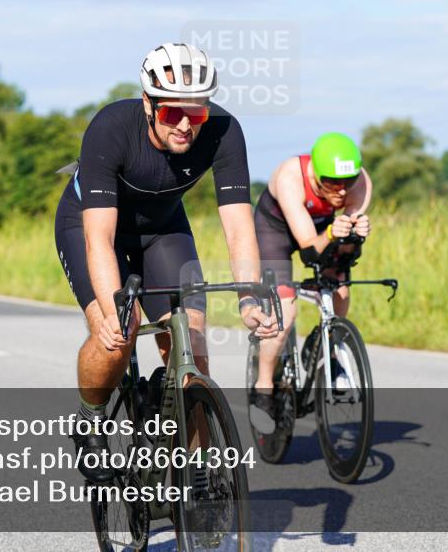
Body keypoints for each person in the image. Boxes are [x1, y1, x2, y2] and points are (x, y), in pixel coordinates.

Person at [54, 43, 277, 481]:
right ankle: (90, 416)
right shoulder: (111, 127)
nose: (183, 125)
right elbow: (99, 237)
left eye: (194, 114)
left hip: (164, 229)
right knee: (119, 329)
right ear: (147, 103)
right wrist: (113, 307)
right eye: (171, 112)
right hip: (96, 226)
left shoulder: (225, 131)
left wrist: (249, 298)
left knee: (192, 345)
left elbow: (238, 227)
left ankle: (200, 475)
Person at [250, 133, 372, 431]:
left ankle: (329, 348)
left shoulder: (361, 184)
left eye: (347, 181)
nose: (341, 191)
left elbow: (343, 255)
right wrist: (333, 234)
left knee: (339, 287)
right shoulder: (290, 177)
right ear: (315, 175)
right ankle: (263, 386)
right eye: (331, 182)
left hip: (322, 229)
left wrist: (355, 237)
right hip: (277, 230)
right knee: (284, 312)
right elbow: (309, 249)